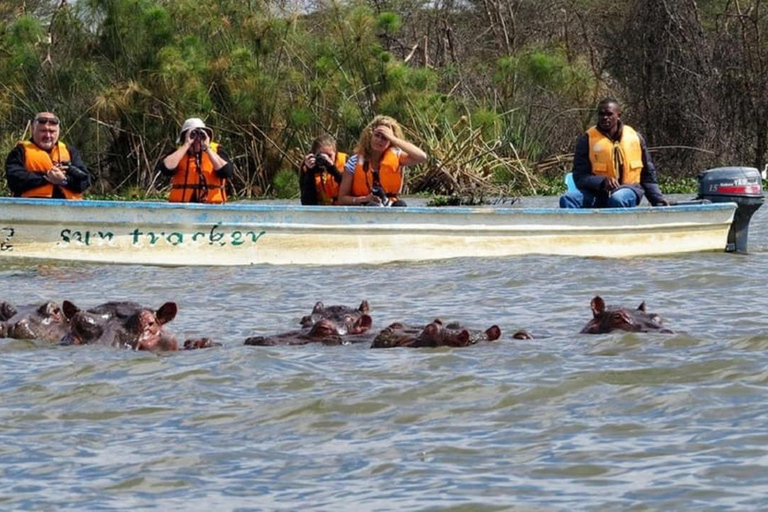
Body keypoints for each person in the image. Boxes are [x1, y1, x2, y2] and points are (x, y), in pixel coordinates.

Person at [559, 98, 669, 208]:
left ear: (618, 115)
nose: (605, 117)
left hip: (629, 190)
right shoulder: (586, 139)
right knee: (568, 199)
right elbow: (579, 176)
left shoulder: (635, 137)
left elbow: (647, 174)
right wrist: (602, 182)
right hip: (596, 193)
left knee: (617, 198)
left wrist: (657, 199)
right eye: (601, 114)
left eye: (609, 114)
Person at [337, 115, 427, 207]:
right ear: (370, 136)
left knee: (400, 204)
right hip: (365, 206)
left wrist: (393, 138)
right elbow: (342, 199)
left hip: (390, 204)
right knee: (372, 205)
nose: (379, 140)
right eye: (377, 135)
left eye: (384, 138)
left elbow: (422, 157)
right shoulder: (354, 162)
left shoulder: (397, 156)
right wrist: (364, 199)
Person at [5, 112, 91, 199]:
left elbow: (85, 182)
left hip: (66, 209)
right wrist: (47, 177)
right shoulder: (19, 151)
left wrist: (63, 180)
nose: (48, 135)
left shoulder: (70, 151)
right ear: (33, 130)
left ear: (58, 132)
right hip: (32, 208)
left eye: (52, 131)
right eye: (43, 131)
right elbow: (14, 181)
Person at [157, 118, 233, 203]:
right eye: (192, 135)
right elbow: (165, 169)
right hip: (182, 209)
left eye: (201, 135)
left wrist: (207, 148)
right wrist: (186, 145)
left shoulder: (217, 151)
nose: (197, 140)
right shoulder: (178, 153)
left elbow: (226, 172)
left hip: (212, 208)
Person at [300, 134, 348, 205]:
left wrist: (333, 169)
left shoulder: (346, 163)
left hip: (342, 208)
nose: (325, 159)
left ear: (336, 154)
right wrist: (310, 173)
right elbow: (307, 202)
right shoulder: (307, 167)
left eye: (329, 156)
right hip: (320, 210)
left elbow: (350, 190)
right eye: (320, 155)